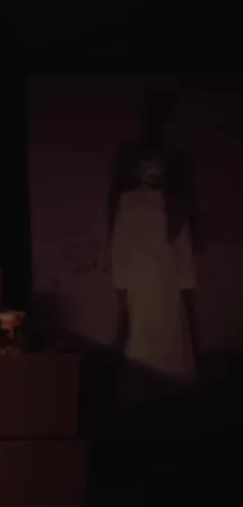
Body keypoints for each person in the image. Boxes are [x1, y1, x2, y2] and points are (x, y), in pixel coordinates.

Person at [108, 84, 201, 403]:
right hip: (140, 270)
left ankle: (170, 386)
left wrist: (187, 280)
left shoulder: (175, 187)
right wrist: (120, 281)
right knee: (141, 327)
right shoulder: (130, 192)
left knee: (171, 326)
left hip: (165, 269)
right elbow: (120, 237)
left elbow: (181, 235)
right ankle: (141, 387)